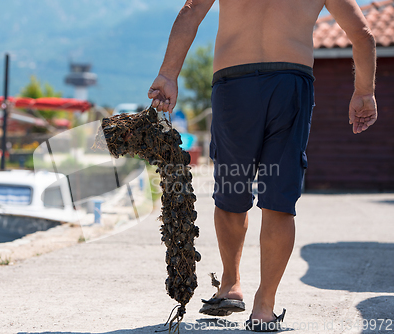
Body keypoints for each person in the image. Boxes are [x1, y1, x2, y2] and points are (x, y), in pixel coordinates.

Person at [148, 0, 377, 331]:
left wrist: (168, 74)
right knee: (279, 198)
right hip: (290, 84)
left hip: (234, 83)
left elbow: (191, 11)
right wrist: (364, 92)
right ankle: (264, 308)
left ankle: (230, 284)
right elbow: (363, 34)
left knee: (231, 189)